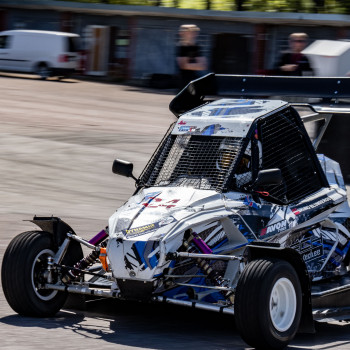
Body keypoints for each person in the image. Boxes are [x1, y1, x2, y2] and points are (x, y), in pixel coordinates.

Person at [176, 24, 207, 88]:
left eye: (195, 32)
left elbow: (203, 66)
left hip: (193, 81)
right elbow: (183, 65)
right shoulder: (182, 47)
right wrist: (197, 65)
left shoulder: (196, 47)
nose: (194, 34)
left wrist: (190, 65)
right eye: (191, 32)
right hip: (183, 82)